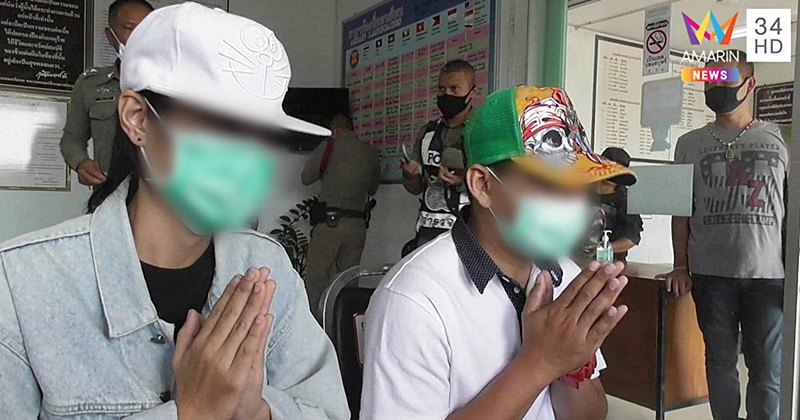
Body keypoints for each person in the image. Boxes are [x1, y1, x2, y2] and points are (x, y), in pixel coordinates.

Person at [0, 4, 349, 419]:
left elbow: (326, 410)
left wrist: (257, 411)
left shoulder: (265, 265)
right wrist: (193, 412)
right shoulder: (21, 284)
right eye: (224, 127)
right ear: (137, 119)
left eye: (263, 137)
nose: (248, 159)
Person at [362, 86, 638, 419]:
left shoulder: (565, 275)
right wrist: (540, 362)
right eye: (552, 185)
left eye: (583, 188)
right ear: (483, 185)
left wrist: (574, 362)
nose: (575, 206)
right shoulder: (415, 300)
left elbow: (589, 414)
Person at [659, 50, 787, 420]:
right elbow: (681, 210)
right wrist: (680, 265)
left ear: (750, 84)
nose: (715, 88)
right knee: (719, 362)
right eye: (709, 80)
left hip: (769, 276)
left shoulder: (780, 140)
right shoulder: (689, 144)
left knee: (767, 368)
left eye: (724, 80)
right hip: (710, 274)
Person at [60, 0, 153, 187]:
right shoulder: (91, 84)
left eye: (147, 28)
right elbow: (72, 138)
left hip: (162, 194)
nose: (139, 36)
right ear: (110, 35)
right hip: (109, 191)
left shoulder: (176, 83)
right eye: (129, 28)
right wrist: (81, 163)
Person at [301, 114, 380, 314]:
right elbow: (373, 188)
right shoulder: (370, 152)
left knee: (317, 280)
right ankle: (344, 323)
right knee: (349, 280)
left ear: (334, 130)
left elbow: (306, 177)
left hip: (329, 225)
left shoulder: (330, 146)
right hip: (357, 226)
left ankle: (315, 326)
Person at [400, 59, 477, 255]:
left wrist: (463, 182)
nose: (446, 94)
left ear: (472, 93)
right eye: (442, 89)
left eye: (454, 89)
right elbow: (416, 188)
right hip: (427, 235)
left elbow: (496, 186)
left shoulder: (481, 132)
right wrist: (410, 175)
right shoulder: (428, 132)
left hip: (468, 238)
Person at [582, 147, 644, 262]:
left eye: (617, 171)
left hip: (610, 261)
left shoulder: (626, 200)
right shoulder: (580, 190)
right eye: (609, 168)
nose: (612, 174)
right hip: (571, 258)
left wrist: (604, 248)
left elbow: (632, 237)